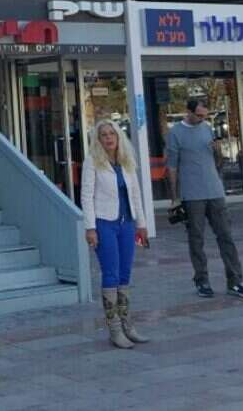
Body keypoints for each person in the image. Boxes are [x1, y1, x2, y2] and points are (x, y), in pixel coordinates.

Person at [166, 98, 243, 300]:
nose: (201, 119)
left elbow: (217, 163)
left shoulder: (207, 128)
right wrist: (174, 197)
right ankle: (202, 281)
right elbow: (172, 166)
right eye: (198, 115)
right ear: (188, 112)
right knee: (196, 239)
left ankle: (235, 281)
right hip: (192, 194)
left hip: (214, 190)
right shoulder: (175, 133)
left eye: (204, 116)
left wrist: (218, 151)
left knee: (226, 235)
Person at [81, 120, 149, 348]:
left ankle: (128, 325)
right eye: (104, 135)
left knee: (125, 273)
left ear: (119, 137)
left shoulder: (126, 161)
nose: (109, 138)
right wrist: (90, 227)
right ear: (98, 139)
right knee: (110, 273)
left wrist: (142, 224)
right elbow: (86, 196)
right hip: (104, 223)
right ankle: (115, 329)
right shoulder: (92, 161)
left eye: (112, 134)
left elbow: (136, 194)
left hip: (126, 223)